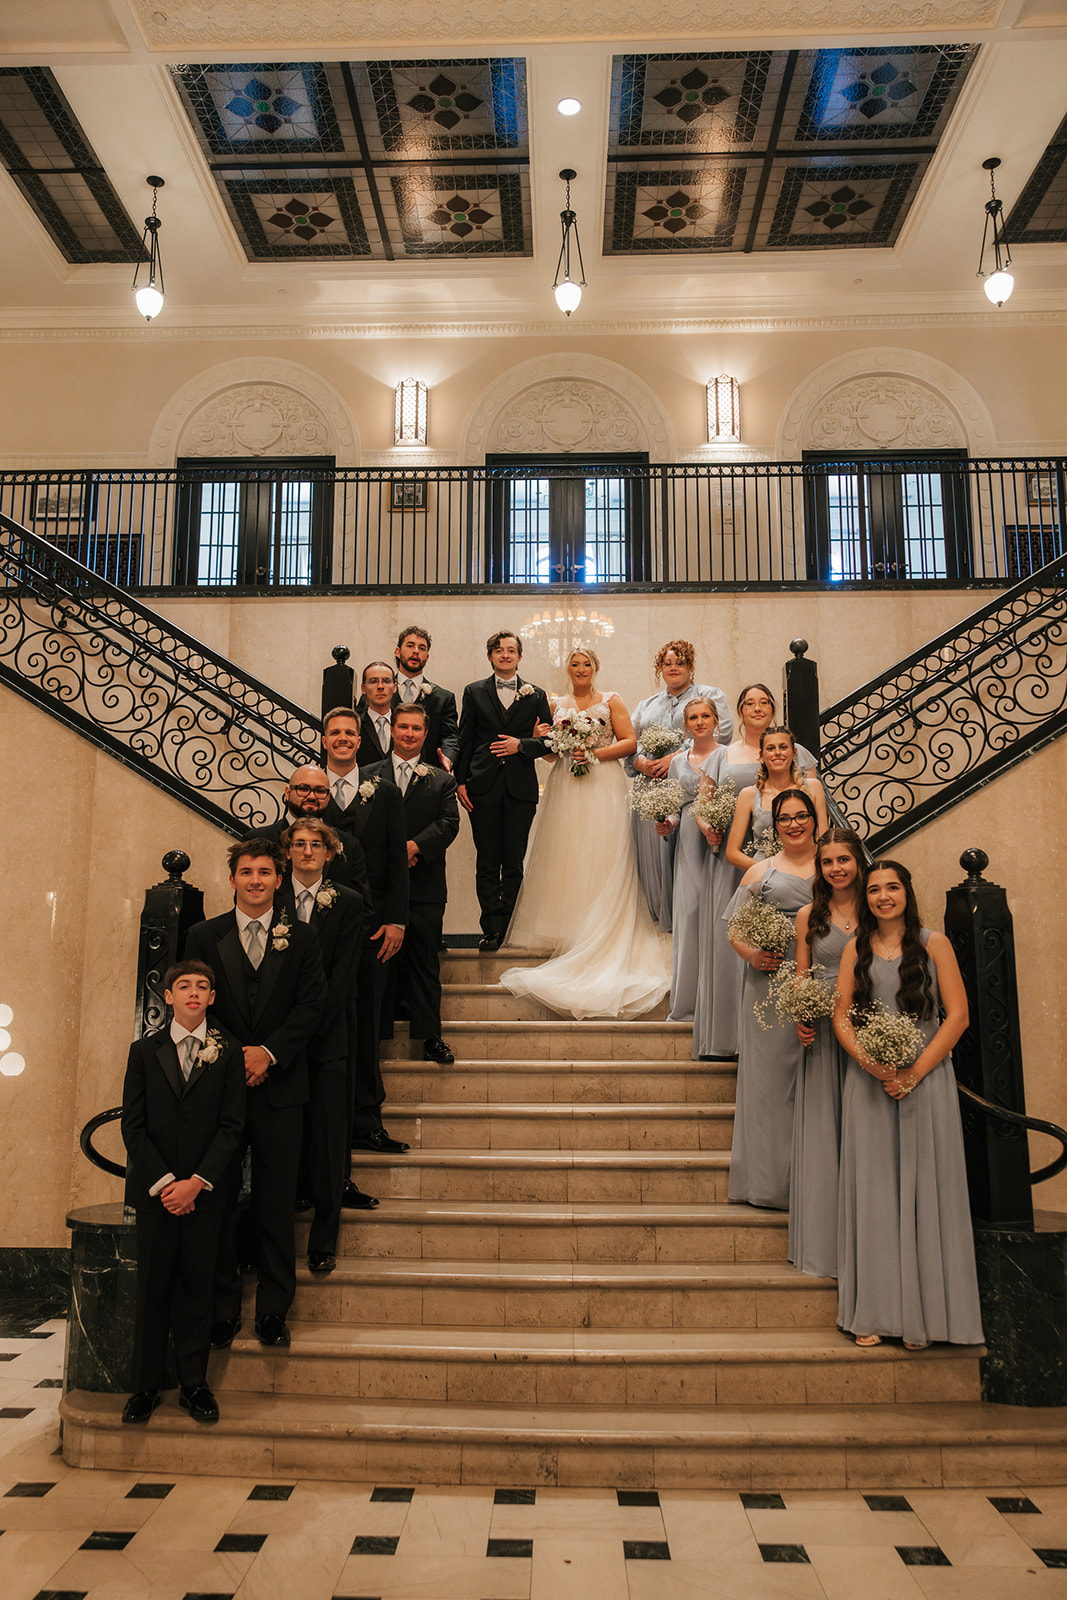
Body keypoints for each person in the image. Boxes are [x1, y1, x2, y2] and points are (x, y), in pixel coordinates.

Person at [833, 860, 983, 1349]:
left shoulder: (933, 943)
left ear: (906, 892)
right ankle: (874, 1312)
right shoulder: (855, 947)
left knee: (926, 1192)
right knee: (874, 1196)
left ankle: (924, 1316)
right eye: (874, 889)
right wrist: (873, 1065)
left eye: (891, 888)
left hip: (927, 1079)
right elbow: (841, 1017)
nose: (882, 896)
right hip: (870, 1083)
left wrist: (915, 1072)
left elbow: (957, 1017)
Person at [184, 839, 327, 1350]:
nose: (256, 881)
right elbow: (196, 1002)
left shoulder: (303, 938)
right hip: (222, 1089)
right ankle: (222, 1310)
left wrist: (269, 1053)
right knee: (218, 1202)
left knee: (275, 1203)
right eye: (247, 872)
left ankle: (272, 1309)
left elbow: (312, 1005)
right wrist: (237, 1056)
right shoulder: (204, 934)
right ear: (233, 880)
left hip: (281, 1089)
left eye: (265, 873)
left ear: (278, 879)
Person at [499, 646, 670, 1020]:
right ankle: (573, 931)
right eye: (574, 664)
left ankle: (602, 930)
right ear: (568, 669)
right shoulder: (555, 702)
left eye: (586, 664)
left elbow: (629, 742)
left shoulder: (611, 700)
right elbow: (547, 754)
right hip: (566, 786)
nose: (580, 669)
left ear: (596, 667)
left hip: (602, 784)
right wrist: (551, 741)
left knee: (604, 852)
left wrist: (593, 752)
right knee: (568, 854)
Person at [120, 960, 245, 1426]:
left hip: (205, 1193)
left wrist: (197, 1182)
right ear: (168, 996)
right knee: (153, 1288)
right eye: (184, 986)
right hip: (157, 1193)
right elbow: (133, 1126)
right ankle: (145, 1386)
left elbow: (233, 1126)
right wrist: (165, 1183)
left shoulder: (227, 1051)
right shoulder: (143, 1051)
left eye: (203, 986)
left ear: (212, 997)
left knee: (197, 1287)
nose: (194, 993)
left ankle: (194, 1385)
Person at [693, 684, 812, 1060]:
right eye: (749, 703)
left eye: (764, 703)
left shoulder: (798, 757)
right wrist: (707, 827)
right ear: (739, 712)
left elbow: (811, 813)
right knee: (737, 947)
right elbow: (703, 804)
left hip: (797, 872)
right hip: (743, 866)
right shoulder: (723, 754)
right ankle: (729, 1038)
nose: (756, 708)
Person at [282, 817, 372, 1277]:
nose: (307, 851)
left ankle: (323, 1239)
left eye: (316, 844)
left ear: (330, 852)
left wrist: (308, 1028)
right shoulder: (270, 898)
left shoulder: (349, 902)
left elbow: (342, 977)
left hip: (329, 1034)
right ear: (288, 852)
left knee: (330, 1138)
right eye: (299, 844)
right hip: (279, 1042)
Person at [322, 706, 409, 1157]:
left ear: (360, 740)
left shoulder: (388, 793)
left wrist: (396, 920)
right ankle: (324, 1128)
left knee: (370, 1028)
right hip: (316, 939)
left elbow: (397, 859)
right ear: (324, 740)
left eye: (349, 733)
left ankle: (367, 1121)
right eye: (334, 732)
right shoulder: (311, 790)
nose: (342, 739)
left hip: (373, 932)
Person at [725, 788, 817, 1210]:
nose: (794, 824)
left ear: (815, 819)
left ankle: (816, 1181)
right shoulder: (760, 871)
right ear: (774, 826)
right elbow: (735, 930)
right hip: (768, 984)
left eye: (801, 816)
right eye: (785, 819)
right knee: (768, 1085)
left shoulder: (835, 866)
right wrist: (752, 954)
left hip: (823, 979)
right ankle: (767, 1182)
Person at [363, 703, 460, 1066]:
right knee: (379, 963)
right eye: (402, 727)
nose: (408, 733)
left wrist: (416, 846)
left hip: (424, 887)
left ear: (424, 733)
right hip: (380, 890)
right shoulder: (367, 775)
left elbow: (449, 823)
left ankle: (429, 1035)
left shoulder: (441, 779)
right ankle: (375, 1034)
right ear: (392, 730)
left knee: (424, 963)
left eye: (416, 729)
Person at [788, 828, 864, 1279]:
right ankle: (825, 1245)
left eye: (844, 860)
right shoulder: (808, 915)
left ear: (858, 862)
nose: (836, 869)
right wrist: (801, 1014)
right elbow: (801, 974)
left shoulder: (877, 906)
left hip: (865, 1030)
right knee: (824, 1134)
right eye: (828, 861)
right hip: (821, 1031)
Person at [454, 630, 552, 953]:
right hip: (482, 787)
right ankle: (490, 930)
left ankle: (510, 927)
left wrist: (521, 744)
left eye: (512, 650)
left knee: (513, 861)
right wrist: (460, 782)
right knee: (487, 861)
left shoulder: (536, 695)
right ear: (490, 656)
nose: (506, 655)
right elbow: (465, 739)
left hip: (521, 790)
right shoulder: (473, 692)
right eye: (499, 650)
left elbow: (551, 742)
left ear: (520, 657)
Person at [626, 640, 732, 930]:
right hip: (650, 790)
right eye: (667, 663)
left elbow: (721, 736)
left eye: (680, 663)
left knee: (690, 864)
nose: (673, 668)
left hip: (694, 785)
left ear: (691, 666)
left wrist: (673, 758)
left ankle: (692, 928)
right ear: (660, 668)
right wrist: (642, 763)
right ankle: (659, 926)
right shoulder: (646, 705)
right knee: (654, 864)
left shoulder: (709, 695)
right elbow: (630, 743)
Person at [657, 698, 720, 1023]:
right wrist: (667, 822)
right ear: (686, 725)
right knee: (691, 915)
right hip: (689, 844)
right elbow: (674, 805)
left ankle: (721, 1003)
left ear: (715, 719)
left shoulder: (727, 755)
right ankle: (689, 1004)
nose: (699, 721)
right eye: (693, 717)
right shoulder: (678, 762)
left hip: (723, 839)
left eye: (705, 715)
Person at [244, 763, 371, 908]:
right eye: (303, 789)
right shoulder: (256, 840)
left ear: (328, 797)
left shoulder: (349, 844)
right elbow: (245, 901)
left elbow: (362, 907)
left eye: (320, 791)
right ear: (287, 792)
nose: (312, 796)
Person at [725, 728, 827, 871]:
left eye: (783, 747)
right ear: (761, 755)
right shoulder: (748, 795)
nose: (777, 752)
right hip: (764, 874)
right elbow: (732, 853)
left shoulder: (814, 787)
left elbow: (824, 840)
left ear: (794, 753)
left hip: (807, 870)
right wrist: (770, 870)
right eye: (771, 748)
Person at [393, 625, 460, 772]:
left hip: (428, 775)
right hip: (385, 776)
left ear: (427, 657)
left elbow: (450, 737)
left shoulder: (444, 698)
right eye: (410, 646)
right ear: (398, 652)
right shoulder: (379, 690)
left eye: (422, 648)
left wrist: (448, 757)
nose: (416, 651)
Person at [357, 661, 399, 768]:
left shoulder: (405, 724)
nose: (380, 686)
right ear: (363, 688)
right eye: (373, 681)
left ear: (394, 687)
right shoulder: (355, 725)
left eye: (386, 681)